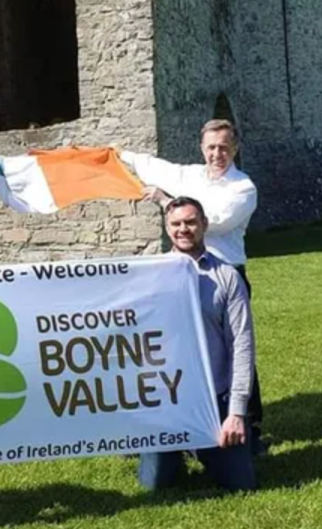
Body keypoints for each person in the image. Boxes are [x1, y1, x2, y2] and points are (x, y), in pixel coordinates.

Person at [119, 118, 266, 449]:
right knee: (177, 346)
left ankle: (248, 423)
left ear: (235, 149)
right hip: (180, 275)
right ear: (202, 148)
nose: (217, 154)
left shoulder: (243, 188)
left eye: (224, 148)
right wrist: (116, 154)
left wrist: (163, 201)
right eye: (211, 147)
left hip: (225, 277)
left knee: (234, 349)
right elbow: (153, 166)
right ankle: (180, 420)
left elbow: (209, 222)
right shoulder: (189, 175)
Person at [137, 196, 257, 492]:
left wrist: (237, 412)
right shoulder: (148, 276)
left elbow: (242, 346)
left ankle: (203, 445)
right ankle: (173, 450)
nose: (184, 229)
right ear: (167, 229)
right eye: (176, 224)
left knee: (241, 484)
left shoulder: (227, 276)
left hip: (214, 398)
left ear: (204, 224)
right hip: (166, 396)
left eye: (191, 222)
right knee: (154, 486)